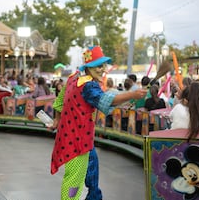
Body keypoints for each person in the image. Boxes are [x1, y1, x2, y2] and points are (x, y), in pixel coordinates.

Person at [50, 46, 147, 200]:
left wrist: (56, 120)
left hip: (78, 139)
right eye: (98, 66)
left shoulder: (73, 79)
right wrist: (132, 94)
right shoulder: (89, 86)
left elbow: (59, 102)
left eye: (103, 65)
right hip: (77, 144)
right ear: (88, 67)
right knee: (74, 182)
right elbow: (104, 100)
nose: (103, 69)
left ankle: (94, 196)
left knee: (92, 167)